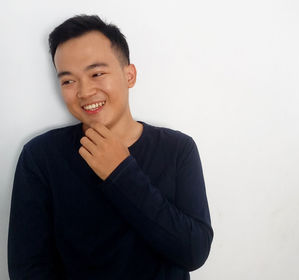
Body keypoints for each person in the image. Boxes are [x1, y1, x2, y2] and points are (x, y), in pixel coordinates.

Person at [7, 14, 213, 280]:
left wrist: (121, 172)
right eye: (68, 80)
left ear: (129, 75)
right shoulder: (40, 157)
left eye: (97, 73)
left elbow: (193, 252)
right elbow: (28, 268)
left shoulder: (178, 149)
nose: (84, 91)